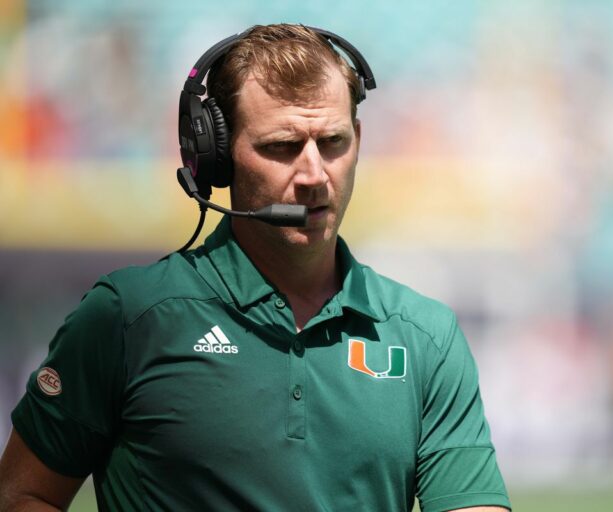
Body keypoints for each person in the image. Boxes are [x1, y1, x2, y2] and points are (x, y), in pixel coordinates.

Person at [0, 24, 511, 511]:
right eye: (282, 147)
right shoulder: (127, 319)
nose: (315, 175)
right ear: (217, 156)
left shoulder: (426, 336)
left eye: (333, 142)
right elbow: (20, 496)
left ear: (358, 139)